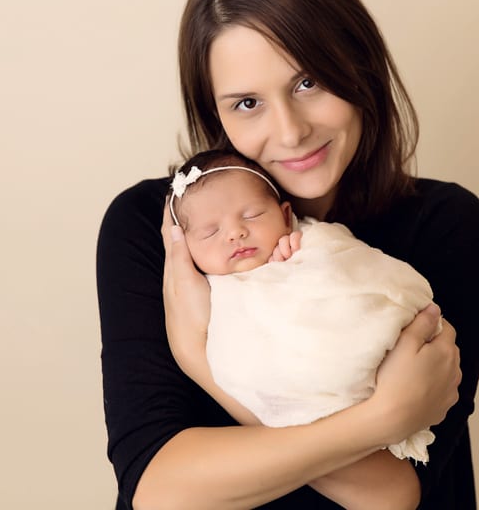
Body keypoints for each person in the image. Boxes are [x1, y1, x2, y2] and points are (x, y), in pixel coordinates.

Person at [96, 0, 479, 509]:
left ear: (358, 66)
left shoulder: (444, 224)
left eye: (308, 82)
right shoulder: (155, 229)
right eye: (247, 103)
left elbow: (391, 495)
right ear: (215, 113)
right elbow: (159, 492)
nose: (290, 132)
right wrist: (378, 419)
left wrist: (201, 356)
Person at [167, 149, 439, 463]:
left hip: (369, 355)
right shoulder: (208, 293)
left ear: (285, 216)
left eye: (252, 215)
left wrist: (299, 260)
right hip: (301, 405)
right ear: (184, 248)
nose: (235, 233)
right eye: (210, 232)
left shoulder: (305, 242)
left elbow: (348, 270)